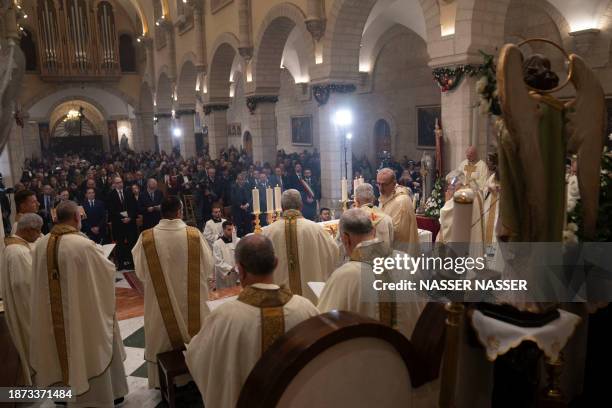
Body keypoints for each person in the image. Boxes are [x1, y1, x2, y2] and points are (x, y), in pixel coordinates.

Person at [185, 235, 319, 408]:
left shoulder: (224, 316)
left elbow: (198, 358)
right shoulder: (306, 308)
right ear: (276, 263)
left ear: (239, 270)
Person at [29, 201, 128, 405]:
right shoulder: (82, 244)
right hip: (81, 314)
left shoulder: (40, 244)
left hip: (52, 318)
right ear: (77, 218)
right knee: (86, 347)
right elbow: (106, 272)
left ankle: (61, 396)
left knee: (57, 351)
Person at [132, 196, 213, 388]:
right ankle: (195, 377)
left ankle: (162, 383)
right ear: (180, 211)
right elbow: (208, 266)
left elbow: (141, 273)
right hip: (193, 304)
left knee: (162, 336)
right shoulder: (193, 235)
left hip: (160, 306)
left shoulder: (147, 238)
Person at [318, 209, 424, 339]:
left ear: (345, 238)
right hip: (409, 354)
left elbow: (323, 327)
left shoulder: (345, 276)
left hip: (368, 358)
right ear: (374, 231)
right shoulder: (408, 261)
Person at [262, 189, 339, 303]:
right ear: (301, 206)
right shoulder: (316, 230)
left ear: (282, 207)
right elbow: (333, 253)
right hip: (311, 301)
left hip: (278, 303)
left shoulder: (267, 233)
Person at [1, 213, 43, 385]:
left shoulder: (15, 246)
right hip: (26, 307)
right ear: (27, 230)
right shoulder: (18, 253)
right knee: (31, 343)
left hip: (21, 303)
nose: (39, 234)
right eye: (37, 231)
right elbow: (26, 284)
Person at [376, 168, 419, 255]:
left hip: (400, 252)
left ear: (394, 183)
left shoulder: (401, 201)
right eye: (379, 184)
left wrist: (374, 230)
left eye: (384, 185)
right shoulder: (386, 196)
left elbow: (398, 232)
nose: (380, 189)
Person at [108, 177, 138, 270]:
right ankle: (121, 264)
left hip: (130, 223)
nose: (119, 184)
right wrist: (122, 218)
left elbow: (134, 207)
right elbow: (111, 210)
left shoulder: (129, 193)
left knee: (132, 242)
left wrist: (130, 217)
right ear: (114, 184)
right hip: (118, 223)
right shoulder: (111, 195)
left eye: (120, 182)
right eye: (117, 183)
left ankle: (132, 263)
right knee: (120, 244)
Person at [354, 183, 394, 248]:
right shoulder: (387, 219)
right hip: (383, 257)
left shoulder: (351, 219)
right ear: (374, 199)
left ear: (357, 200)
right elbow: (391, 243)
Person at [212, 221, 240, 289]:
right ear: (223, 230)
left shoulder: (238, 241)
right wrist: (230, 268)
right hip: (225, 276)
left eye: (232, 229)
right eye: (229, 230)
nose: (231, 231)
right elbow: (218, 261)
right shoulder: (217, 244)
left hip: (237, 275)